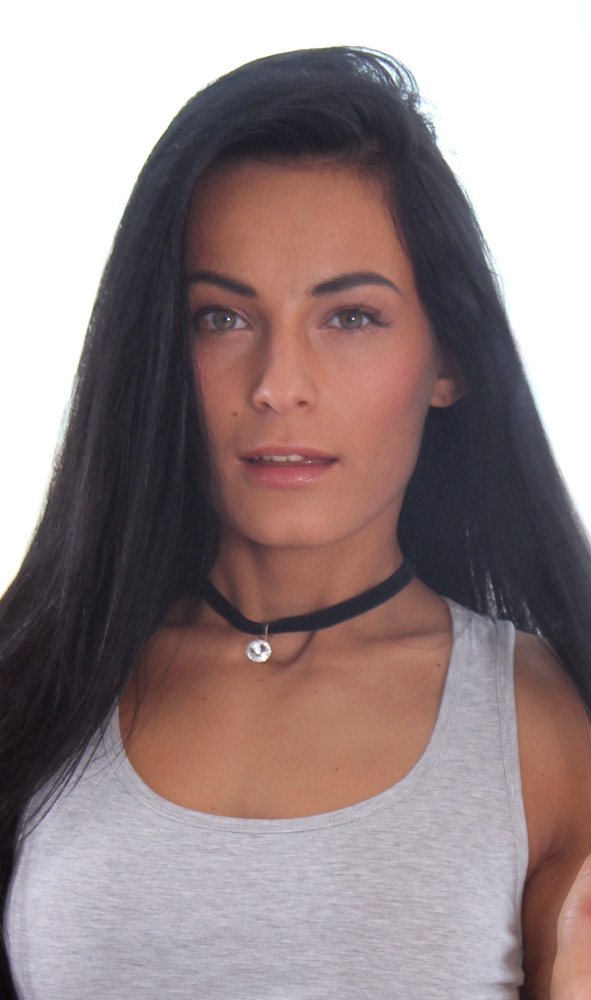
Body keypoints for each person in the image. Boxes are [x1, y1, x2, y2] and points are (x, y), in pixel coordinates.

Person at [0, 46, 590, 1000]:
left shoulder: (541, 726)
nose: (278, 386)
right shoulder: (34, 689)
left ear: (448, 360)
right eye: (221, 319)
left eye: (349, 317)